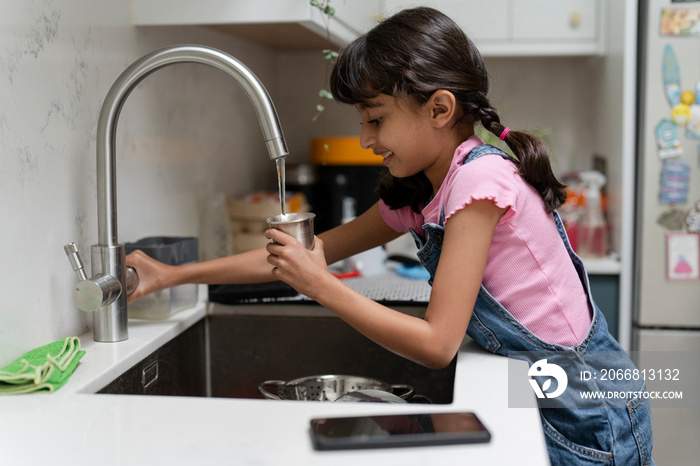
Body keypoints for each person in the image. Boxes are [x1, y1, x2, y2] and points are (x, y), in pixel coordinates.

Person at [127, 7, 654, 465]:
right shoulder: (426, 190)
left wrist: (322, 286)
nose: (364, 138)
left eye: (375, 118)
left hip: (588, 413)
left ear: (440, 109)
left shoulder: (478, 181)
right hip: (546, 396)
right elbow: (310, 254)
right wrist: (172, 275)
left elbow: (437, 345)